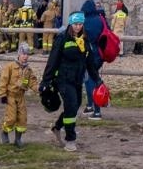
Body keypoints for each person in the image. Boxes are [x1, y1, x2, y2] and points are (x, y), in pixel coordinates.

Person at [41, 9, 103, 150]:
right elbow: (52, 61)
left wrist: (97, 80)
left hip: (77, 79)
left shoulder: (85, 41)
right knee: (71, 106)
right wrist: (46, 81)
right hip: (63, 79)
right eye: (75, 24)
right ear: (70, 24)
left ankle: (57, 127)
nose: (77, 26)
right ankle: (70, 140)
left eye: (80, 23)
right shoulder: (62, 39)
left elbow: (90, 63)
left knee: (75, 106)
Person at [0, 41, 39, 146]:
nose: (25, 56)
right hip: (10, 97)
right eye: (23, 54)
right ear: (18, 54)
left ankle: (18, 139)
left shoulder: (28, 70)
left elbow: (32, 82)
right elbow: (3, 81)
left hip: (21, 97)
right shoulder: (10, 67)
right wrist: (3, 95)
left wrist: (38, 89)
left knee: (22, 118)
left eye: (27, 54)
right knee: (11, 118)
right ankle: (4, 132)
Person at [80, 0, 105, 117]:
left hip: (89, 55)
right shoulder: (101, 19)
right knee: (93, 79)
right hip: (100, 55)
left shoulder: (84, 21)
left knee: (90, 81)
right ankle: (91, 106)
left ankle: (97, 110)